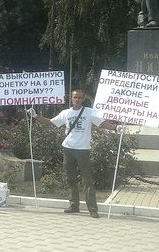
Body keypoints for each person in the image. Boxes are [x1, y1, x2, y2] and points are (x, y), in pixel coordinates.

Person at [28, 89, 123, 218]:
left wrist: (115, 127)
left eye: (79, 98)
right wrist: (35, 116)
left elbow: (102, 123)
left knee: (87, 180)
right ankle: (74, 205)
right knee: (70, 178)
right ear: (71, 99)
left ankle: (92, 209)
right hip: (68, 149)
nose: (77, 100)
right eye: (75, 97)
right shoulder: (66, 113)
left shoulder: (89, 112)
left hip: (83, 150)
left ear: (83, 99)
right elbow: (50, 122)